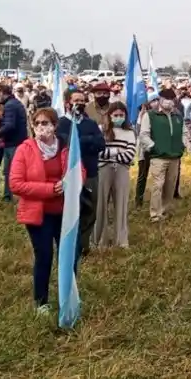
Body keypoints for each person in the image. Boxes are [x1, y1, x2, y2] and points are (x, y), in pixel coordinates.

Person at [9, 107, 80, 313]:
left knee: (70, 255)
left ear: (55, 126)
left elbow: (79, 170)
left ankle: (68, 296)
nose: (41, 127)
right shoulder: (25, 149)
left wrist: (71, 182)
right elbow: (16, 184)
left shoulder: (65, 147)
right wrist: (49, 189)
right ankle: (41, 301)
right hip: (38, 213)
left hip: (65, 212)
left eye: (46, 123)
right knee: (44, 256)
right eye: (37, 123)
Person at [57, 90, 105, 256]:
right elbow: (63, 143)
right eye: (76, 100)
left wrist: (79, 141)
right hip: (69, 175)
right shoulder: (61, 123)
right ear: (67, 103)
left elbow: (100, 143)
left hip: (90, 173)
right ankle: (69, 244)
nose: (80, 103)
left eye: (83, 100)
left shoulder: (90, 123)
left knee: (90, 209)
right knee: (70, 210)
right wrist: (87, 140)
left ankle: (83, 244)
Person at [94, 102, 135, 250]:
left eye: (121, 115)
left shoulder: (130, 132)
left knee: (121, 204)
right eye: (115, 115)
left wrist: (111, 155)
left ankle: (121, 240)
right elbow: (98, 152)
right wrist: (116, 152)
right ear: (110, 116)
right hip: (103, 170)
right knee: (101, 205)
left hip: (122, 170)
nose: (118, 117)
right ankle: (100, 240)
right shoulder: (101, 131)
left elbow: (130, 155)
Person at [140, 89, 184, 222]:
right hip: (158, 156)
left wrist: (183, 145)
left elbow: (184, 132)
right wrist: (153, 147)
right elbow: (144, 134)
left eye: (171, 99)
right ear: (159, 99)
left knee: (170, 185)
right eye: (166, 98)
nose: (168, 101)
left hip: (174, 156)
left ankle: (165, 210)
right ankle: (155, 214)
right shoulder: (150, 115)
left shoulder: (177, 115)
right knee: (158, 185)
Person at [0, 83, 28, 202]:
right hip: (15, 142)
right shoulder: (15, 103)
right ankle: (7, 196)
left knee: (12, 171)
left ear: (1, 92)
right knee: (9, 170)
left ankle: (12, 196)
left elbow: (9, 125)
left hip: (13, 143)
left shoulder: (10, 105)